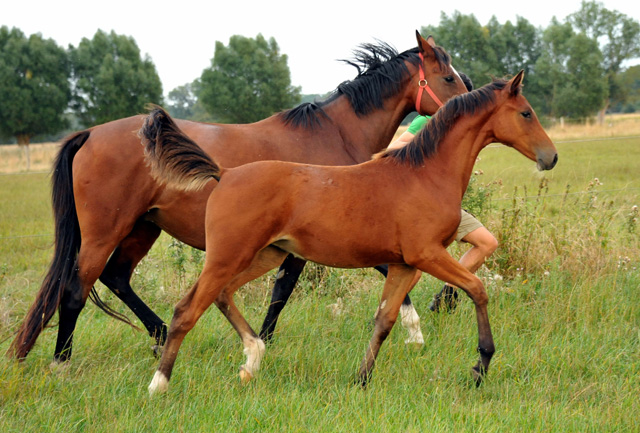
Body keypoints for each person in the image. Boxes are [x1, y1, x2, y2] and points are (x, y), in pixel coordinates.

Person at [388, 113, 498, 312]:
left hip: (446, 206)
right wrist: (426, 141)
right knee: (413, 271)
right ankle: (381, 316)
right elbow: (392, 149)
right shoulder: (426, 120)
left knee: (487, 243)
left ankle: (446, 298)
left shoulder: (460, 124)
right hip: (420, 206)